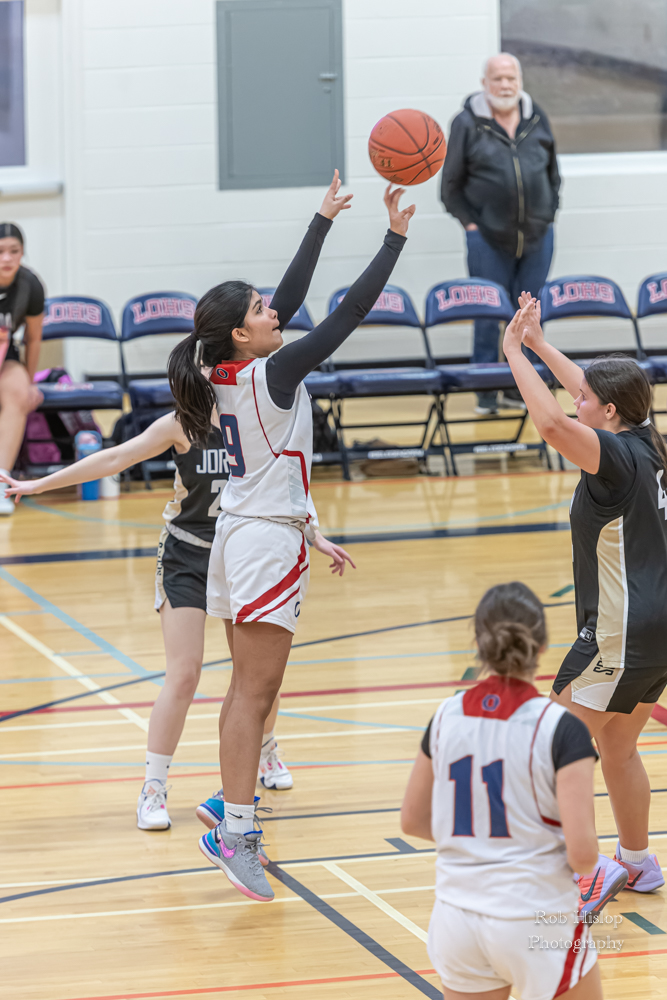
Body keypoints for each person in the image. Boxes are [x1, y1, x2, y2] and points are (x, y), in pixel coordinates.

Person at [167, 172, 414, 902]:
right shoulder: (269, 374)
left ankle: (229, 803)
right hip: (261, 542)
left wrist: (322, 219)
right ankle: (236, 833)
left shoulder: (224, 368)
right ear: (242, 334)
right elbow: (349, 312)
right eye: (259, 309)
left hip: (246, 531)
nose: (274, 310)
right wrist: (393, 238)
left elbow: (290, 302)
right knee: (256, 691)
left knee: (247, 690)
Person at [0, 412, 354, 832]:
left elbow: (286, 480)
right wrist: (38, 484)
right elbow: (115, 457)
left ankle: (265, 748)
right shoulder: (180, 423)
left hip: (242, 553)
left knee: (254, 673)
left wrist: (313, 534)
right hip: (187, 555)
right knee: (184, 673)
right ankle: (153, 787)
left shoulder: (256, 413)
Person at [503, 293, 666, 902]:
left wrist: (514, 353)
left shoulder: (612, 457)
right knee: (618, 748)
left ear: (609, 411)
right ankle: (638, 862)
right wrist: (542, 344)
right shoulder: (649, 440)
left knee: (550, 747)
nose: (577, 400)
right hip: (658, 631)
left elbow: (550, 423)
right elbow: (586, 391)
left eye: (586, 400)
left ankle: (587, 868)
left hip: (622, 631)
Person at [401, 582, 606, 1000]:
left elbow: (412, 821)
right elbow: (583, 856)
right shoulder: (562, 728)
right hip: (534, 916)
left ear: (479, 643)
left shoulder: (445, 715)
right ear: (542, 645)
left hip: (457, 917)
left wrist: (480, 843)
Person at [441, 53, 560, 415]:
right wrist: (471, 226)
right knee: (489, 314)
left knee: (529, 315)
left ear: (519, 81)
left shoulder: (537, 117)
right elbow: (450, 187)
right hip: (487, 239)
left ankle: (519, 391)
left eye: (511, 78)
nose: (505, 85)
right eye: (498, 79)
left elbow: (553, 174)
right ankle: (485, 392)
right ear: (485, 83)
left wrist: (549, 213)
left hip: (538, 237)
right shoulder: (466, 123)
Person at [0, 222, 46, 515]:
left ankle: (1, 482)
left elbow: (34, 338)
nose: (6, 258)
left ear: (22, 253)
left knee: (18, 393)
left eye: (14, 251)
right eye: (0, 251)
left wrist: (30, 382)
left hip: (6, 355)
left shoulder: (30, 285)